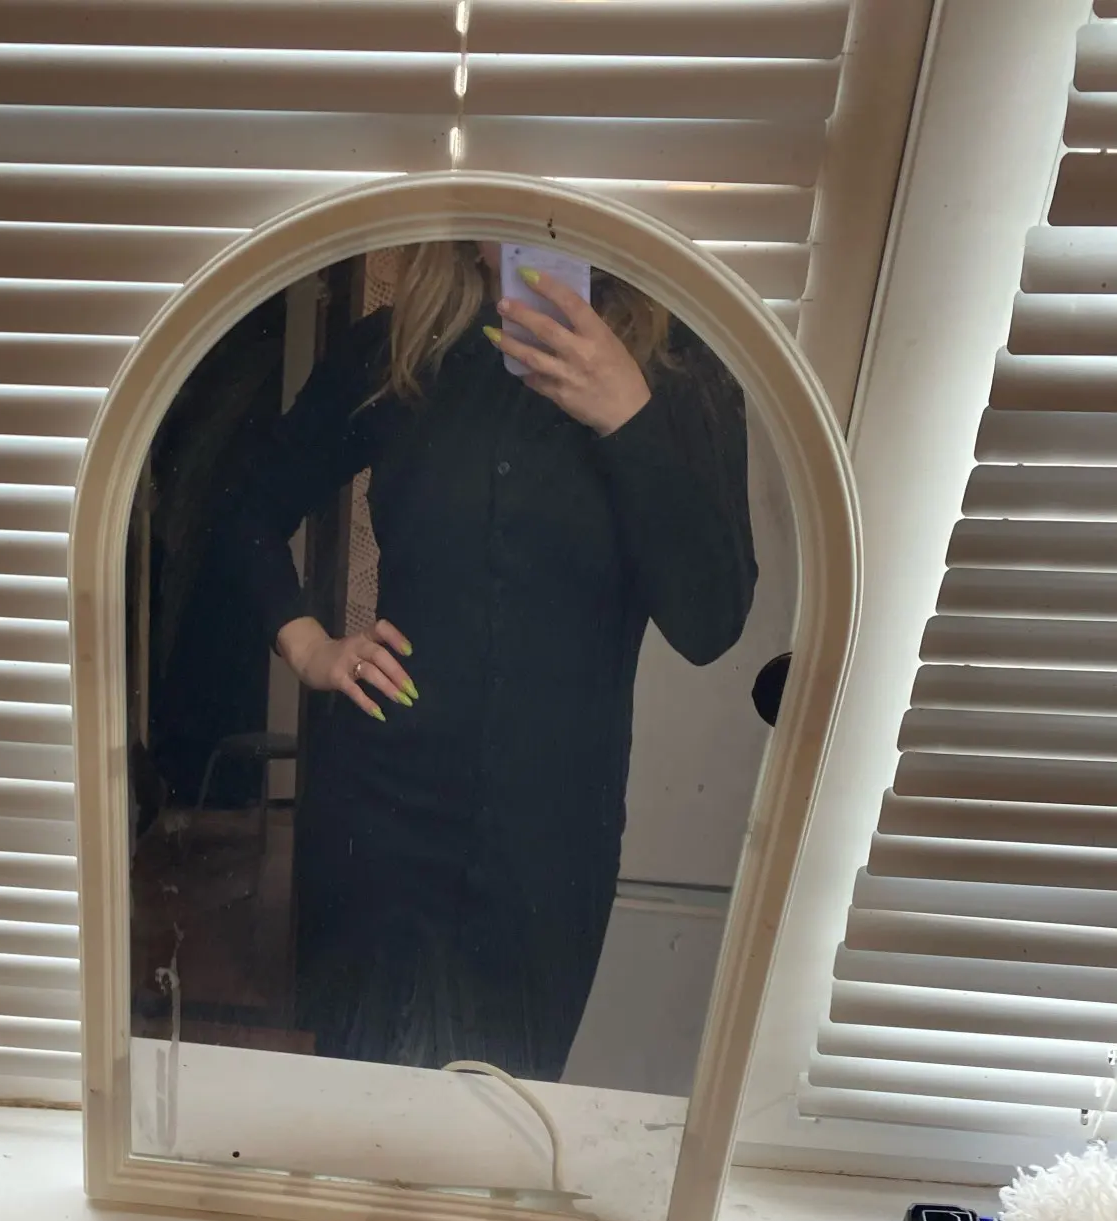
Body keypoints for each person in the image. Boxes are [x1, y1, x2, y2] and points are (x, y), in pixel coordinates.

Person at [216, 241, 756, 1079]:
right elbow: (246, 510)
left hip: (551, 841)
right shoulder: (397, 348)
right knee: (356, 1109)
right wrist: (309, 644)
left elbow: (710, 619)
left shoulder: (681, 368)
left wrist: (628, 416)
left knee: (506, 1114)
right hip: (377, 820)